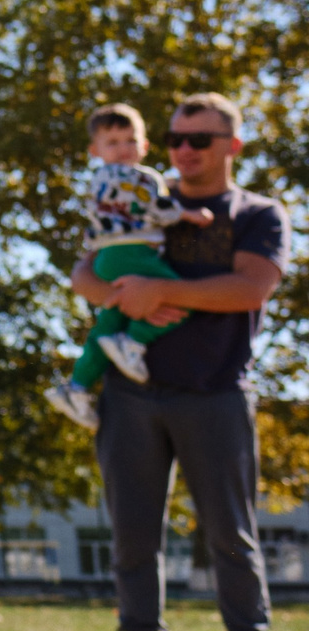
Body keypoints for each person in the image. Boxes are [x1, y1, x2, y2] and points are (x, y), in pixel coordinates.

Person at [73, 93, 296, 631]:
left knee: (231, 534)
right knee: (132, 534)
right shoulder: (139, 194)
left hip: (215, 392)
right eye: (175, 139)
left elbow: (251, 288)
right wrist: (123, 298)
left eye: (200, 139)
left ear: (233, 146)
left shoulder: (257, 213)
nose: (185, 150)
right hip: (130, 394)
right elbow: (85, 274)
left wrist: (159, 292)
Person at [45, 104, 213, 430]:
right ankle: (134, 340)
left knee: (106, 327)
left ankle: (77, 387)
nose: (123, 148)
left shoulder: (99, 180)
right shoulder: (138, 177)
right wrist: (190, 214)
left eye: (130, 140)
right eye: (113, 142)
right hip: (134, 253)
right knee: (180, 298)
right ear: (95, 150)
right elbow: (153, 205)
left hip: (108, 257)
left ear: (144, 145)